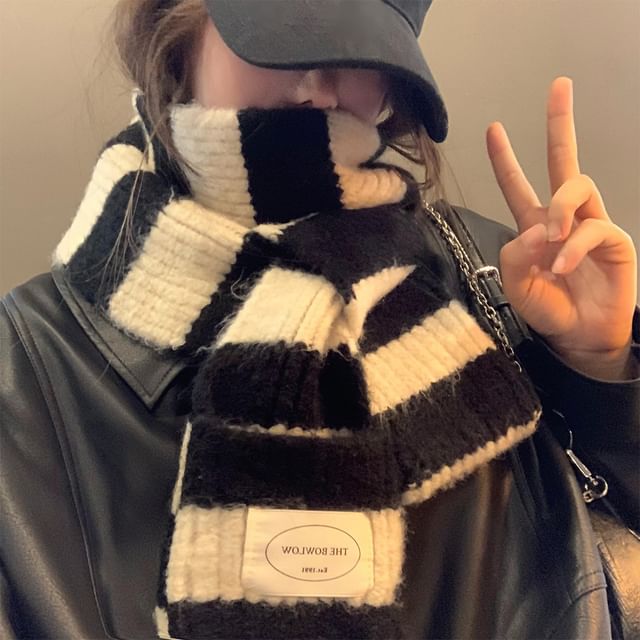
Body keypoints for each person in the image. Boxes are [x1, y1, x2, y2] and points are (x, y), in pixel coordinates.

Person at [1, 1, 638, 639]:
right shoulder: (23, 366)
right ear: (179, 26)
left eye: (359, 53)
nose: (318, 89)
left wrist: (597, 365)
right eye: (282, 34)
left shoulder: (503, 280)